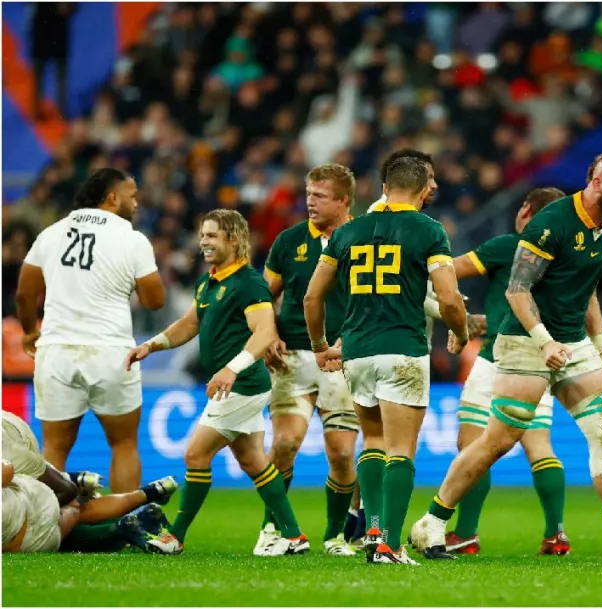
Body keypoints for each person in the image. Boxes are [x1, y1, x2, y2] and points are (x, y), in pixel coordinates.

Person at [410, 153, 602, 562]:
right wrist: (543, 342)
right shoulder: (552, 223)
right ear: (595, 182)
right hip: (525, 341)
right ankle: (431, 524)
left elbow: (586, 290)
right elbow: (517, 290)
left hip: (573, 344)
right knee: (498, 441)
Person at [305, 157, 469, 565]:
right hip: (403, 349)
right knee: (401, 450)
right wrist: (462, 332)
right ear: (423, 189)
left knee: (373, 442)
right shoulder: (429, 230)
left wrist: (320, 345)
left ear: (384, 184)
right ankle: (390, 545)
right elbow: (448, 298)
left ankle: (373, 530)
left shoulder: (349, 231)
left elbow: (312, 297)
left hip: (357, 353)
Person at [124, 210, 307, 556]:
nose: (204, 242)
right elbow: (189, 324)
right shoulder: (208, 281)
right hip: (235, 383)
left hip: (241, 385)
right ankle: (294, 536)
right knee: (254, 461)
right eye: (203, 235)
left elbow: (265, 332)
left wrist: (231, 369)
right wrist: (151, 345)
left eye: (213, 236)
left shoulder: (249, 283)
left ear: (233, 240)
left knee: (195, 454)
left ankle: (175, 536)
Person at [15, 168, 166, 492]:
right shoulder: (132, 239)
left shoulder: (52, 233)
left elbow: (25, 293)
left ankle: (49, 525)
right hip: (111, 353)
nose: (137, 203)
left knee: (55, 448)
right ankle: (124, 522)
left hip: (56, 352)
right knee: (123, 443)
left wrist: (29, 331)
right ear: (112, 197)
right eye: (132, 195)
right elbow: (155, 301)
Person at [444, 186, 572, 556]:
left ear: (526, 212)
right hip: (540, 359)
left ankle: (465, 533)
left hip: (497, 359)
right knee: (539, 446)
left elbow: (449, 270)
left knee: (472, 446)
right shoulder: (566, 257)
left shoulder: (509, 245)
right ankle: (555, 533)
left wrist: (451, 310)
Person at [255, 163, 360, 557]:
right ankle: (273, 528)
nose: (309, 201)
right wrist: (269, 334)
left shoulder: (362, 240)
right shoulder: (289, 241)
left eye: (319, 195)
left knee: (343, 453)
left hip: (341, 359)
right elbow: (263, 295)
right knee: (284, 443)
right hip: (293, 359)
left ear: (343, 200)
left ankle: (334, 537)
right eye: (308, 193)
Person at [2, 459, 177, 554]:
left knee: (71, 513)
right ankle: (145, 499)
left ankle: (121, 527)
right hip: (28, 500)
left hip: (25, 528)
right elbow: (7, 469)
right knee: (74, 507)